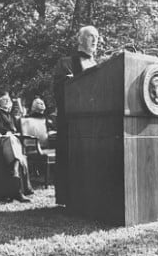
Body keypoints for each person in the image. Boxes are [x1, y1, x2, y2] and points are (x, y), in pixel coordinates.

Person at [53, 25, 99, 205]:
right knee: (71, 157)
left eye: (96, 36)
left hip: (95, 120)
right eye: (90, 36)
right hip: (71, 121)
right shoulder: (65, 62)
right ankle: (70, 197)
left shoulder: (99, 64)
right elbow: (57, 89)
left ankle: (91, 195)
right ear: (80, 39)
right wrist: (70, 82)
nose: (95, 39)